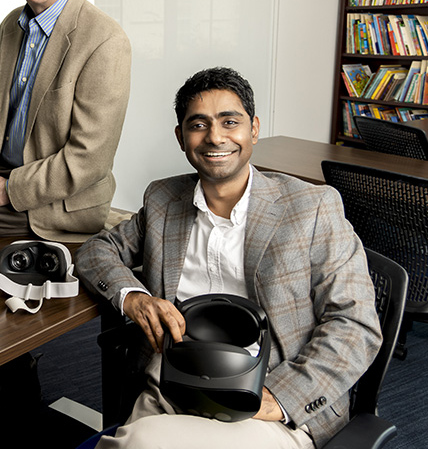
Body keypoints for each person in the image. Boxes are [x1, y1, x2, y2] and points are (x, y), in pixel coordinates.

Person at [75, 67, 383, 448]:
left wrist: (281, 397)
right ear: (181, 137)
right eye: (198, 125)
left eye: (229, 122)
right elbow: (96, 251)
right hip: (172, 384)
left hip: (270, 396)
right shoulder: (162, 201)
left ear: (253, 129)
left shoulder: (312, 207)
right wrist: (132, 297)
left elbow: (356, 325)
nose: (215, 137)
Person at [0, 0, 131, 424]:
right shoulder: (10, 28)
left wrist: (6, 191)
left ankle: (18, 384)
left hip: (58, 206)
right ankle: (15, 384)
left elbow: (89, 157)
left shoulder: (104, 39)